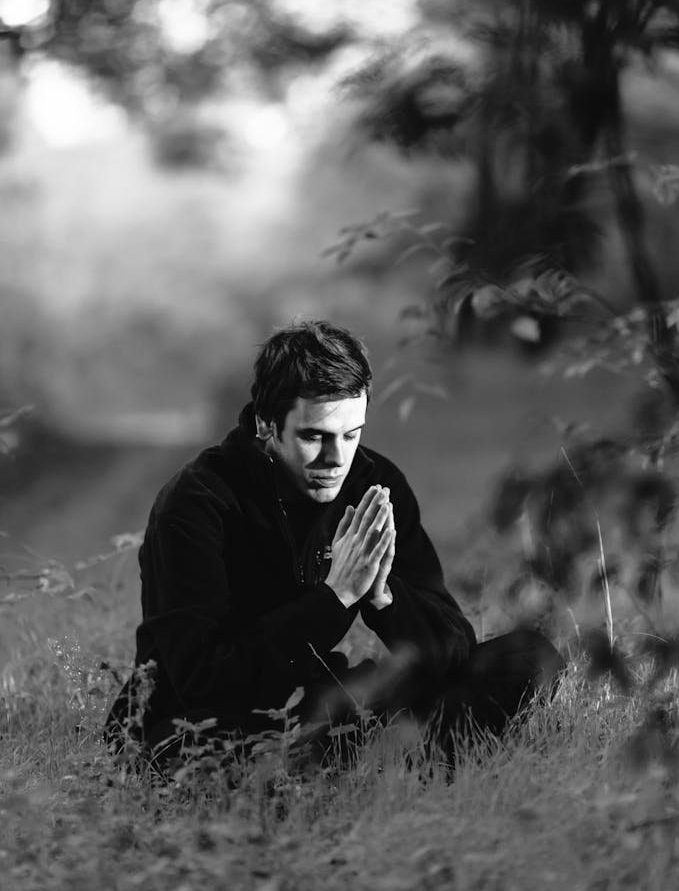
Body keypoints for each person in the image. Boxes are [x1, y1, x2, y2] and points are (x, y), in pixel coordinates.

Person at [105, 320, 563, 766]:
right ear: (267, 424)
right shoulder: (195, 504)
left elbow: (453, 647)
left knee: (526, 659)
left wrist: (384, 596)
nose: (336, 459)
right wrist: (336, 596)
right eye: (314, 437)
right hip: (205, 720)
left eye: (351, 435)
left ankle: (389, 769)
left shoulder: (373, 484)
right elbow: (203, 679)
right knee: (210, 752)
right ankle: (364, 765)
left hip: (326, 703)